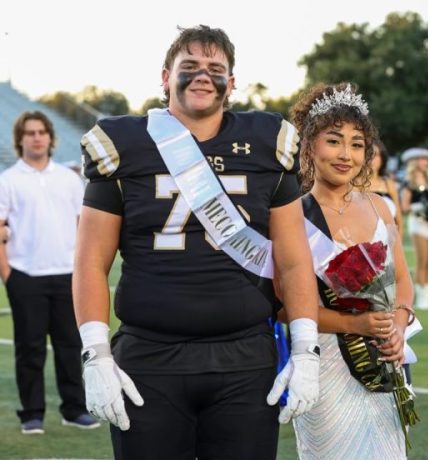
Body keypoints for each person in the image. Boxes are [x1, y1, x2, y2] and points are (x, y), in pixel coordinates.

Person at [73, 25, 320, 460]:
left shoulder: (267, 141)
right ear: (165, 77)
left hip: (244, 357)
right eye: (189, 66)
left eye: (215, 68)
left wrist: (306, 349)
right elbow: (91, 261)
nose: (203, 76)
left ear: (232, 83)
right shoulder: (124, 143)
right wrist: (95, 354)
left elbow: (295, 260)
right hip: (149, 357)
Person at [287, 82, 415, 459]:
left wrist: (399, 322)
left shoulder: (380, 206)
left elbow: (403, 280)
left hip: (387, 357)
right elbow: (281, 306)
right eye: (334, 141)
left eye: (357, 144)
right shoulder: (292, 214)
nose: (346, 154)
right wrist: (353, 325)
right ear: (309, 145)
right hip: (326, 366)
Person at [0, 111, 98, 434]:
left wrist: (83, 269)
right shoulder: (8, 180)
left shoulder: (69, 179)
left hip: (68, 275)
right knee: (30, 349)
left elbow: (82, 225)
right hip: (25, 274)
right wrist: (8, 273)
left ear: (50, 138)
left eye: (42, 132)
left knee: (70, 346)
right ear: (20, 139)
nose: (37, 137)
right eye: (30, 133)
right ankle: (32, 413)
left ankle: (75, 408)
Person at [400, 147, 428, 309]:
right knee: (422, 261)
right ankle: (420, 298)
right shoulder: (408, 182)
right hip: (418, 223)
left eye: (427, 160)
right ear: (415, 161)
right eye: (422, 159)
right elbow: (404, 207)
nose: (426, 163)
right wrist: (418, 206)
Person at [367, 138, 404, 236]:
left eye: (376, 155)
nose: (372, 159)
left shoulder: (389, 184)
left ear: (382, 158)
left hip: (388, 239)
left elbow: (399, 221)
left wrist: (397, 246)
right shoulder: (353, 184)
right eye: (368, 154)